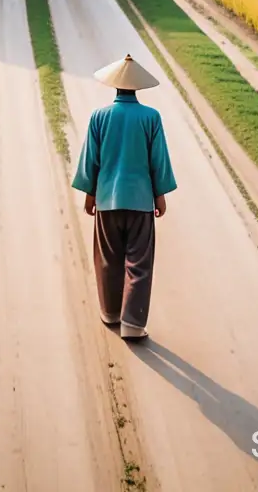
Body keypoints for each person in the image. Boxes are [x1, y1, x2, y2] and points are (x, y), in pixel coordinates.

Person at [72, 54, 177, 340]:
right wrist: (160, 197)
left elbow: (90, 160)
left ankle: (110, 313)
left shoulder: (100, 117)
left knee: (108, 258)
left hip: (107, 201)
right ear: (137, 88)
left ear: (115, 86)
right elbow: (159, 161)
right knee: (139, 263)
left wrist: (90, 196)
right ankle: (133, 323)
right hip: (141, 204)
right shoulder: (151, 118)